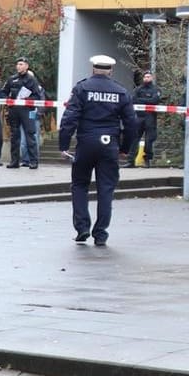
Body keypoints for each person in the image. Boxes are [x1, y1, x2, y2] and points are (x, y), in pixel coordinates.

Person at [59, 54, 139, 248]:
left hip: (86, 142)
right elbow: (131, 124)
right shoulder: (121, 91)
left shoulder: (82, 88)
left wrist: (63, 144)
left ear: (93, 69)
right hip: (109, 145)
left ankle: (82, 227)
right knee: (106, 189)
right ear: (110, 70)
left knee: (79, 185)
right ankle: (101, 233)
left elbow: (70, 118)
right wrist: (125, 148)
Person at [4, 58, 44, 169]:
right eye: (17, 64)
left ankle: (33, 161)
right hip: (14, 110)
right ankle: (14, 161)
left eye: (21, 64)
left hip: (27, 110)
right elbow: (4, 92)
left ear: (26, 66)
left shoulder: (31, 80)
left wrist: (27, 98)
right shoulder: (12, 79)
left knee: (30, 136)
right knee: (14, 136)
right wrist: (5, 100)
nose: (19, 66)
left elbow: (37, 96)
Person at [131, 71, 163, 166]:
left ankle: (147, 160)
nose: (146, 78)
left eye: (148, 77)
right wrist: (147, 102)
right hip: (139, 117)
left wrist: (141, 101)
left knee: (149, 140)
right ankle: (130, 161)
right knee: (134, 139)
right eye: (145, 77)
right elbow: (133, 100)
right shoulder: (138, 89)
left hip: (150, 117)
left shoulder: (156, 89)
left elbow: (155, 101)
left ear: (152, 78)